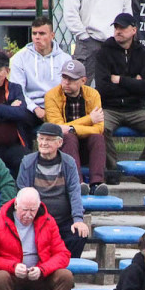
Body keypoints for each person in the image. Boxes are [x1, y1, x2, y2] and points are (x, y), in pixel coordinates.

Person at [94, 12, 145, 182]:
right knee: (101, 127)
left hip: (135, 109)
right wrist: (133, 84)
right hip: (109, 108)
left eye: (122, 27)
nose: (118, 31)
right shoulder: (104, 52)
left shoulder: (142, 53)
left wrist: (120, 80)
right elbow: (103, 88)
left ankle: (143, 168)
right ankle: (113, 170)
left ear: (134, 30)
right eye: (116, 27)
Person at [17, 123, 90, 258]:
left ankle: (65, 272)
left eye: (49, 139)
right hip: (37, 220)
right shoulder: (27, 162)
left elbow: (74, 191)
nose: (44, 143)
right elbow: (23, 192)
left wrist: (78, 219)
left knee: (79, 235)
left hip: (63, 221)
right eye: (41, 139)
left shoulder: (69, 162)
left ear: (60, 142)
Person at [44, 59, 107, 195]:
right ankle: (77, 183)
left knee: (97, 138)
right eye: (64, 77)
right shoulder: (51, 96)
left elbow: (99, 128)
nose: (66, 82)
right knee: (69, 137)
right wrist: (89, 119)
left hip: (85, 148)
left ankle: (97, 183)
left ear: (83, 81)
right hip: (62, 147)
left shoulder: (93, 94)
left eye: (71, 79)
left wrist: (72, 128)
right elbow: (58, 129)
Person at [10, 15, 72, 125]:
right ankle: (24, 143)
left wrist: (53, 110)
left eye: (42, 33)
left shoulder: (65, 59)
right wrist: (35, 109)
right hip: (30, 107)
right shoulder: (20, 58)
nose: (37, 37)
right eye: (34, 33)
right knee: (18, 116)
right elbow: (18, 91)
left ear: (52, 35)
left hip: (57, 107)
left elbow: (68, 89)